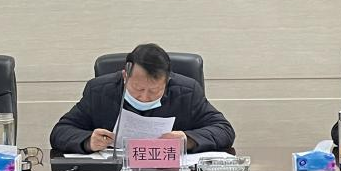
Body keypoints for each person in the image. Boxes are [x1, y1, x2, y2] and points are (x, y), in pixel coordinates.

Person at [50, 43, 235, 154]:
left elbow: (224, 130)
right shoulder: (98, 90)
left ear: (167, 80)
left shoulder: (187, 91)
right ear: (125, 76)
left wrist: (188, 139)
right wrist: (87, 141)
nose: (145, 96)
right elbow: (60, 132)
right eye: (138, 88)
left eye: (154, 90)